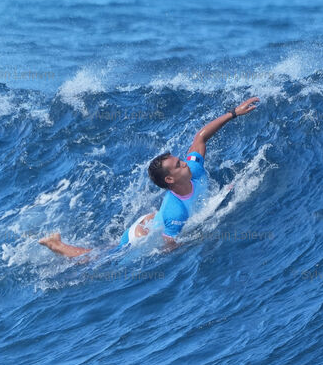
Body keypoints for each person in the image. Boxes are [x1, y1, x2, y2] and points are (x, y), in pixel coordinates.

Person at [39, 96, 261, 258]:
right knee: (98, 258)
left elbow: (200, 138)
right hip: (139, 236)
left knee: (106, 248)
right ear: (170, 180)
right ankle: (56, 245)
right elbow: (169, 247)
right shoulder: (177, 211)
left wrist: (233, 113)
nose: (185, 162)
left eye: (180, 161)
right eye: (178, 165)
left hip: (153, 220)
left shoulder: (194, 170)